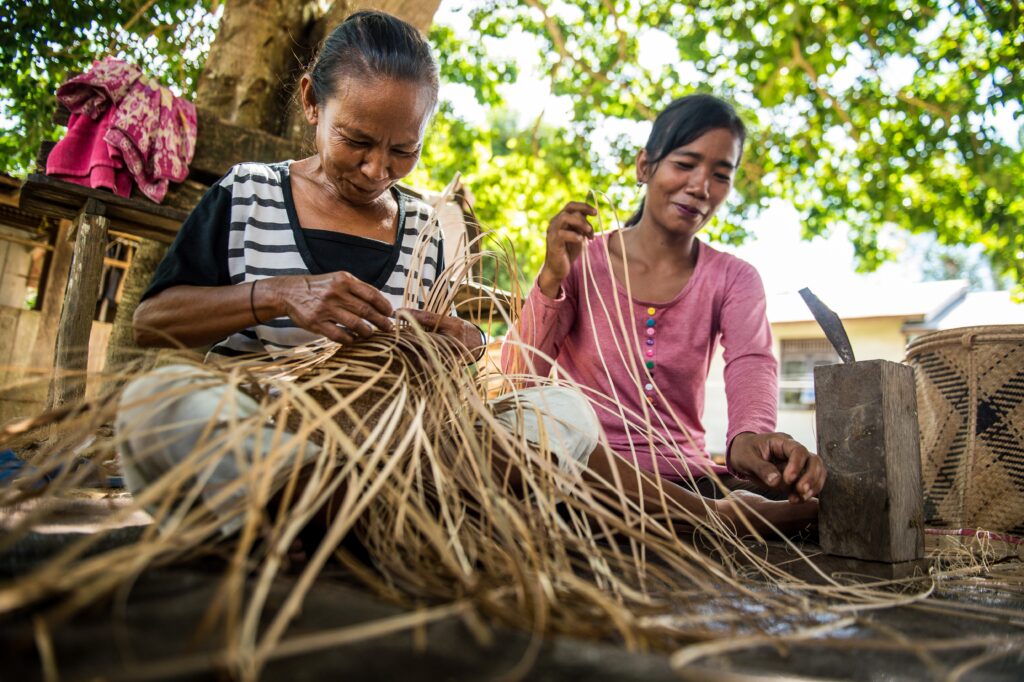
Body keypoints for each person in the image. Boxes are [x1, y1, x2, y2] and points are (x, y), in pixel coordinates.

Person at [502, 94, 826, 510]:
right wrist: (550, 279)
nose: (700, 187)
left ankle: (709, 511)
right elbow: (515, 382)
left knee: (816, 492)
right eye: (685, 164)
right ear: (644, 166)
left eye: (721, 175)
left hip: (685, 479)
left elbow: (752, 361)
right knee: (521, 438)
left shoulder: (734, 278)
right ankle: (721, 519)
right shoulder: (582, 261)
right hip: (584, 470)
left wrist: (750, 436)